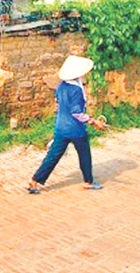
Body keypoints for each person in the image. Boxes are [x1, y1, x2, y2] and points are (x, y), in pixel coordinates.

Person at [27, 55, 105, 194]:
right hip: (76, 130)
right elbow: (76, 113)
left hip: (61, 127)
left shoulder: (61, 86)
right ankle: (88, 181)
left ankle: (35, 181)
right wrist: (93, 122)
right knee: (84, 155)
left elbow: (59, 104)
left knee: (53, 156)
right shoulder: (76, 90)